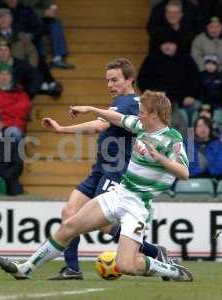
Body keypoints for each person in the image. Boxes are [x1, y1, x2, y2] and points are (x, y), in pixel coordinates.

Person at [0, 90, 193, 282]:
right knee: (69, 226)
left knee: (126, 266)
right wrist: (90, 109)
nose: (138, 115)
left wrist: (159, 158)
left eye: (141, 112)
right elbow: (117, 118)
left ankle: (172, 270)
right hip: (119, 194)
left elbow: (184, 173)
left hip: (138, 206)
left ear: (154, 114)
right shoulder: (141, 127)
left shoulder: (172, 139)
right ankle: (25, 268)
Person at [40, 59, 169, 281]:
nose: (110, 85)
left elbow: (98, 126)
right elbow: (101, 125)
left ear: (130, 79)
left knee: (103, 223)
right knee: (70, 213)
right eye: (108, 80)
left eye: (115, 80)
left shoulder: (130, 102)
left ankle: (153, 252)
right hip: (100, 168)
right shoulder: (119, 104)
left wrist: (62, 130)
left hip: (116, 170)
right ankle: (72, 269)